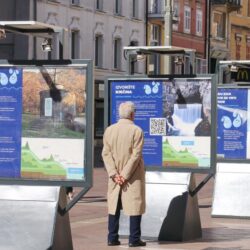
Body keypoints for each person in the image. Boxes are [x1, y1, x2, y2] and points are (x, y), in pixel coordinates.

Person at [102, 101, 146, 247]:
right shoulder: (137, 131)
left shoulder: (109, 130)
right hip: (132, 175)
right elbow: (136, 156)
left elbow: (106, 154)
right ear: (132, 114)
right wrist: (125, 175)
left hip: (114, 175)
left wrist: (114, 174)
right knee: (135, 204)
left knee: (114, 205)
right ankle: (134, 239)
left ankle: (112, 237)